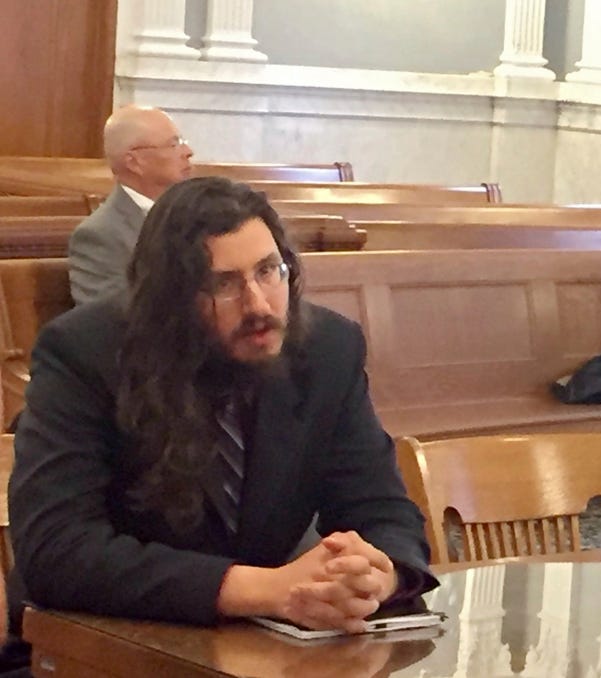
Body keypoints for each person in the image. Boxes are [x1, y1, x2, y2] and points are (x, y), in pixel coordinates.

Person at [5, 177, 436, 668]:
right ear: (170, 297)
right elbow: (57, 551)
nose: (258, 304)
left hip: (252, 652)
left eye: (269, 271)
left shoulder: (326, 350)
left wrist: (378, 574)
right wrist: (263, 588)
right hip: (89, 652)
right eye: (224, 284)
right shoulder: (86, 353)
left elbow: (383, 509)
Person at [68, 105, 194, 304]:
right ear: (135, 162)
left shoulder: (194, 212)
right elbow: (108, 322)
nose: (188, 152)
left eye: (183, 142)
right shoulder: (100, 235)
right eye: (174, 144)